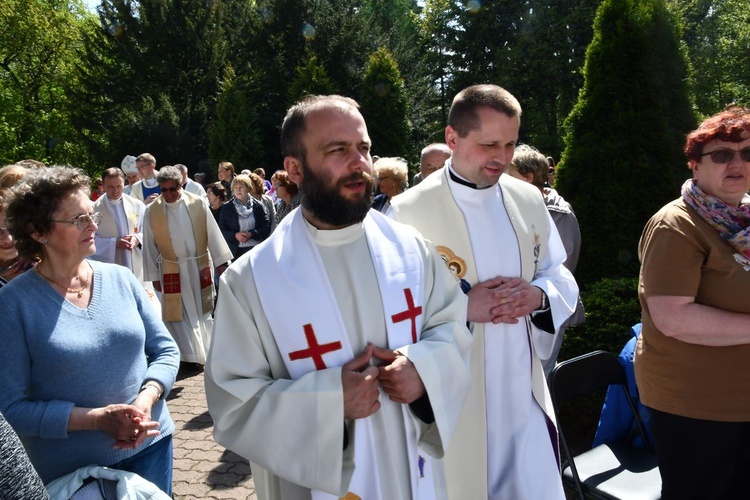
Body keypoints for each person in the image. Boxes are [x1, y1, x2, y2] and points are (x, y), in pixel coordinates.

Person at [205, 95, 472, 500]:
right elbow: (233, 402)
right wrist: (330, 403)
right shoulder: (252, 279)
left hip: (409, 469)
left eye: (363, 148)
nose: (359, 163)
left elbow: (452, 328)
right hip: (315, 483)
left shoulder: (411, 249)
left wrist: (425, 371)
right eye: (338, 150)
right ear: (294, 168)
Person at [391, 84, 579, 499]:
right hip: (455, 393)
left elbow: (557, 272)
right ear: (452, 138)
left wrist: (539, 296)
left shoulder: (529, 199)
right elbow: (389, 311)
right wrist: (462, 305)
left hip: (521, 387)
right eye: (489, 144)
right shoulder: (407, 212)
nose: (502, 157)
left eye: (511, 144)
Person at [0, 166, 179, 494]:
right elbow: (10, 408)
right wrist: (97, 419)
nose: (93, 224)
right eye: (78, 219)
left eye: (92, 214)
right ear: (37, 230)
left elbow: (166, 350)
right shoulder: (12, 304)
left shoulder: (120, 279)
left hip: (151, 447)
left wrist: (145, 400)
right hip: (75, 472)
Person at [635, 107, 750, 500]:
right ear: (695, 166)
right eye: (721, 155)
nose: (737, 163)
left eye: (747, 153)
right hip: (699, 405)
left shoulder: (745, 217)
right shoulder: (677, 225)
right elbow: (673, 319)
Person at [508, 144, 585, 376]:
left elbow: (562, 267)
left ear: (528, 177)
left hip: (545, 313)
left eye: (508, 174)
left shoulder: (559, 213)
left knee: (538, 382)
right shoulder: (508, 207)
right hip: (515, 314)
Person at [143, 166, 232, 366]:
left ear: (180, 185)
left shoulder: (198, 203)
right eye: (164, 190)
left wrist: (220, 262)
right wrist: (153, 276)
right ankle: (186, 357)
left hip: (198, 265)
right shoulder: (152, 211)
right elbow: (149, 244)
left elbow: (212, 233)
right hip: (170, 269)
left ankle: (207, 352)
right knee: (177, 315)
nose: (168, 194)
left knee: (203, 310)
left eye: (172, 189)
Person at [91, 168, 147, 282]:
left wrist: (137, 239)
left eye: (119, 186)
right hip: (110, 262)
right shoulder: (94, 209)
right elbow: (90, 238)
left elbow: (147, 229)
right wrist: (113, 243)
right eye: (111, 187)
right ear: (103, 185)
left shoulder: (137, 205)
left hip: (134, 260)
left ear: (124, 183)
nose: (115, 191)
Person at [218, 174, 271, 259]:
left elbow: (266, 227)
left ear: (248, 188)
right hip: (236, 251)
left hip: (256, 250)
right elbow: (221, 230)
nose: (238, 190)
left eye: (241, 187)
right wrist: (235, 235)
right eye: (235, 187)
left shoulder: (258, 206)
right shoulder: (227, 207)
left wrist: (252, 234)